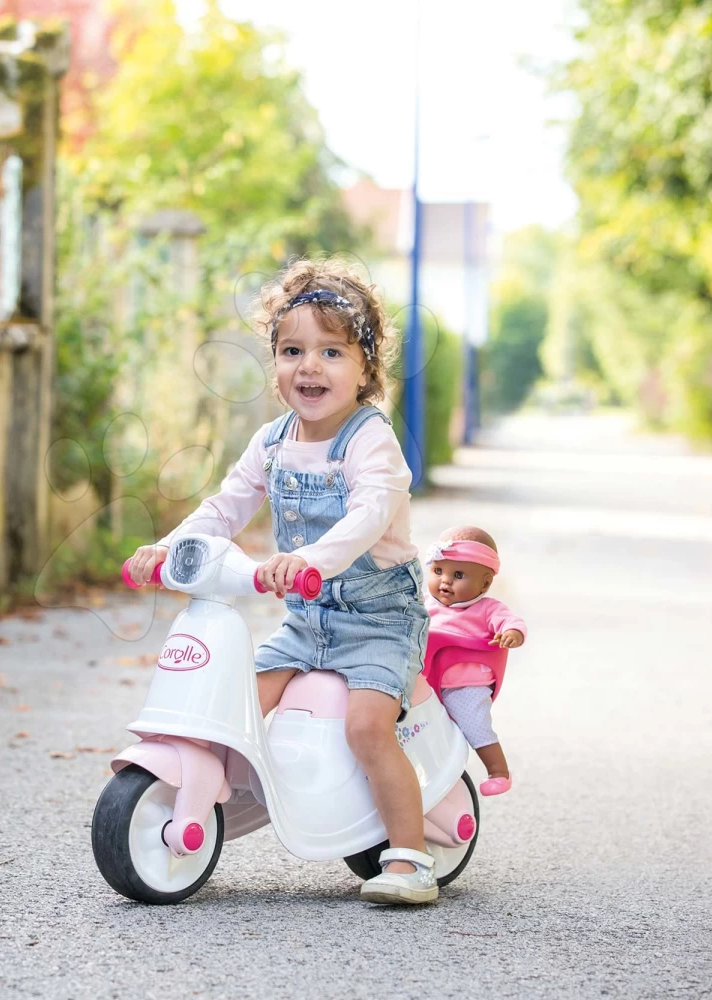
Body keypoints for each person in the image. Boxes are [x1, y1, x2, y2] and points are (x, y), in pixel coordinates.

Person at [125, 257, 436, 905]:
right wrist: (170, 546)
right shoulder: (271, 442)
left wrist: (313, 560)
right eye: (293, 350)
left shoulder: (368, 441)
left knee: (367, 727)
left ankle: (410, 857)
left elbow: (369, 512)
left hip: (379, 619)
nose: (310, 367)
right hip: (305, 624)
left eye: (331, 351)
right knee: (236, 698)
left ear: (365, 368)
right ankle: (212, 792)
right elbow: (225, 506)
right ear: (275, 363)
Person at [420, 526, 526, 796]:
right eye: (438, 571)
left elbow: (511, 621)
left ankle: (498, 771)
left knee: (474, 722)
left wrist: (511, 633)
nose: (445, 581)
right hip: (426, 680)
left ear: (485, 583)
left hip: (466, 684)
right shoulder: (424, 604)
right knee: (415, 725)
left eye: (458, 575)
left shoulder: (488, 609)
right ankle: (425, 770)